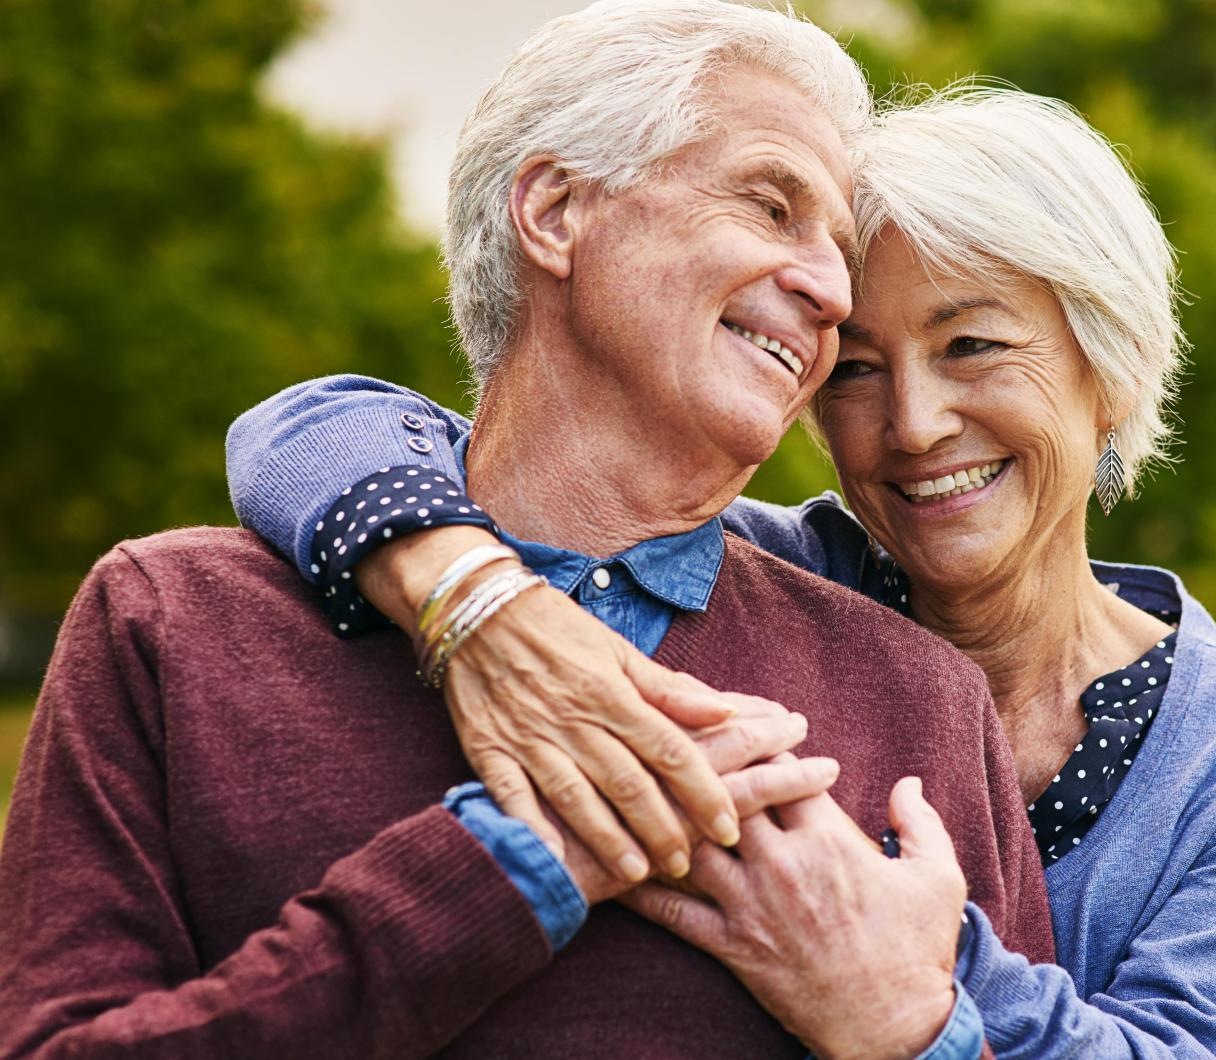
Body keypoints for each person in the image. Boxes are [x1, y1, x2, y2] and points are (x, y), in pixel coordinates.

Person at [0, 4, 1056, 1057]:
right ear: (555, 210)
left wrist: (920, 1035)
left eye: (840, 253)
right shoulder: (172, 622)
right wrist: (506, 866)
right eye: (772, 206)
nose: (831, 292)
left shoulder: (918, 699)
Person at [226, 86, 1216, 1057]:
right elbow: (308, 427)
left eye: (971, 346)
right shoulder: (754, 572)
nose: (912, 425)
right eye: (855, 371)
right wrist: (479, 604)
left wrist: (916, 984)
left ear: (1107, 368)